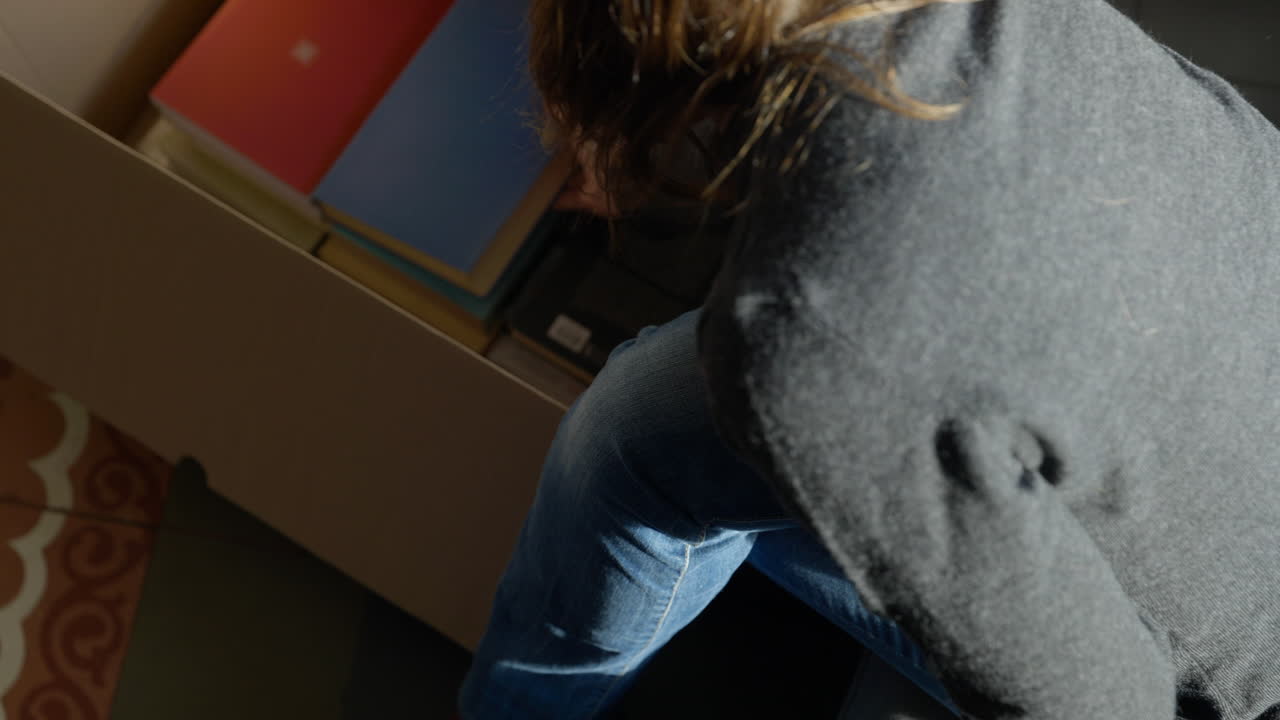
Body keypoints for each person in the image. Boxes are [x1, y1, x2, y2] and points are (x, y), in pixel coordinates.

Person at [460, 0, 1280, 717]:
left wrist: (631, 126)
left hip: (1217, 680)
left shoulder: (810, 333)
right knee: (627, 439)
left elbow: (1107, 706)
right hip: (1197, 423)